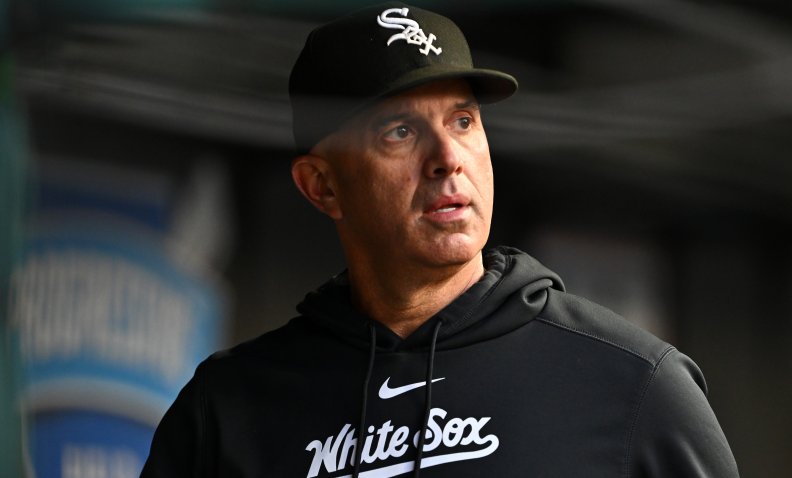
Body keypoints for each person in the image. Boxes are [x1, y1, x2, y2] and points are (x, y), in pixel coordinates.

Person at [142, 2, 739, 477]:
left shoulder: (634, 385)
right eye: (400, 131)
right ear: (322, 186)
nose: (448, 158)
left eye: (463, 120)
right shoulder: (228, 409)